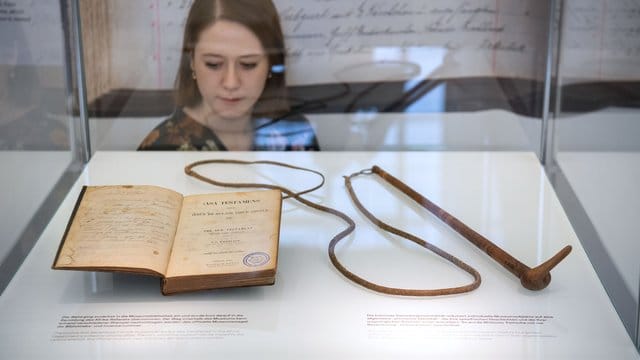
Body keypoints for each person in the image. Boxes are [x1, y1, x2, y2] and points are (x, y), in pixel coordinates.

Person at [138, 0, 319, 151]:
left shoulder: (296, 135)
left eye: (248, 65)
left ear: (271, 63)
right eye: (213, 64)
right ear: (192, 60)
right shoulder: (160, 149)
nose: (231, 83)